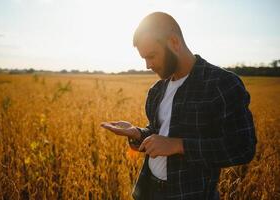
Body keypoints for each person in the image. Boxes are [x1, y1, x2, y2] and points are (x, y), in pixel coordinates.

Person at [101, 12, 257, 200]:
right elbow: (159, 134)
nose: (147, 65)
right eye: (144, 58)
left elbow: (242, 148)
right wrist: (137, 133)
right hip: (149, 191)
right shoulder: (157, 90)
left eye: (151, 56)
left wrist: (178, 145)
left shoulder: (221, 84)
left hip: (190, 194)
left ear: (174, 42)